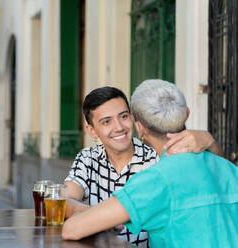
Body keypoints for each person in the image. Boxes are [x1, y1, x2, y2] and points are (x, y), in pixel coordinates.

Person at [62, 80, 238, 247]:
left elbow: (72, 229)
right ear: (186, 113)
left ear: (138, 127)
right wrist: (210, 142)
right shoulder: (227, 168)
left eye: (123, 116)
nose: (118, 127)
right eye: (107, 121)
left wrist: (97, 216)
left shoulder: (156, 178)